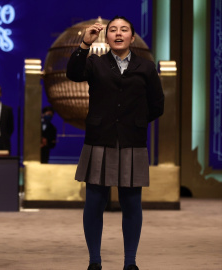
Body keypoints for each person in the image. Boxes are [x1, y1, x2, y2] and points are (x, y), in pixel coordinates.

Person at [66, 16, 164, 270]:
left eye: (124, 30)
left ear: (133, 37)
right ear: (106, 37)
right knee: (94, 202)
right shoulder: (95, 64)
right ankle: (94, 261)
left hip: (132, 140)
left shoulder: (146, 67)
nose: (118, 33)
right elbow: (73, 73)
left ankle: (130, 262)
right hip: (99, 139)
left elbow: (157, 105)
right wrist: (84, 44)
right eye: (113, 30)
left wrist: (135, 121)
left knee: (131, 203)